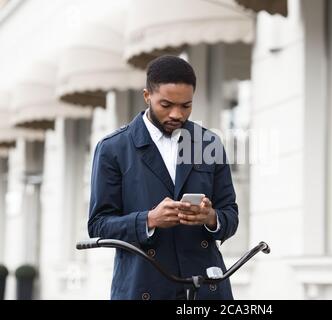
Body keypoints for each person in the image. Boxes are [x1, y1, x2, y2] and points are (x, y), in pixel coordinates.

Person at [88, 55, 238, 300]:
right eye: (166, 105)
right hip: (144, 285)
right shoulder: (113, 148)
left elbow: (230, 215)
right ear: (147, 96)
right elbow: (98, 224)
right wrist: (148, 220)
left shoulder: (208, 143)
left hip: (205, 288)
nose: (177, 114)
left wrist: (211, 217)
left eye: (186, 105)